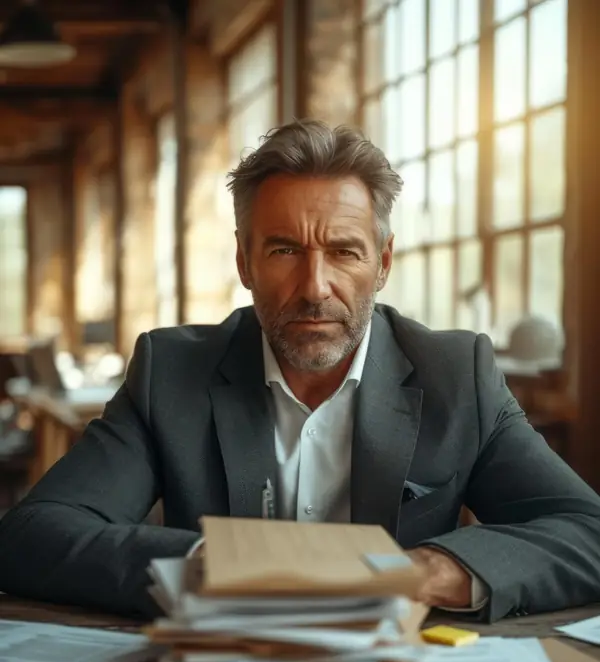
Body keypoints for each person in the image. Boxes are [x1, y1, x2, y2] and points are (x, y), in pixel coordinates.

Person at [0, 119, 599, 623]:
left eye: (344, 251)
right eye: (285, 250)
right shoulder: (171, 373)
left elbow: (587, 532)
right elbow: (31, 536)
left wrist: (433, 570)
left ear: (383, 262)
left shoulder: (457, 375)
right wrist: (218, 566)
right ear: (245, 261)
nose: (315, 288)